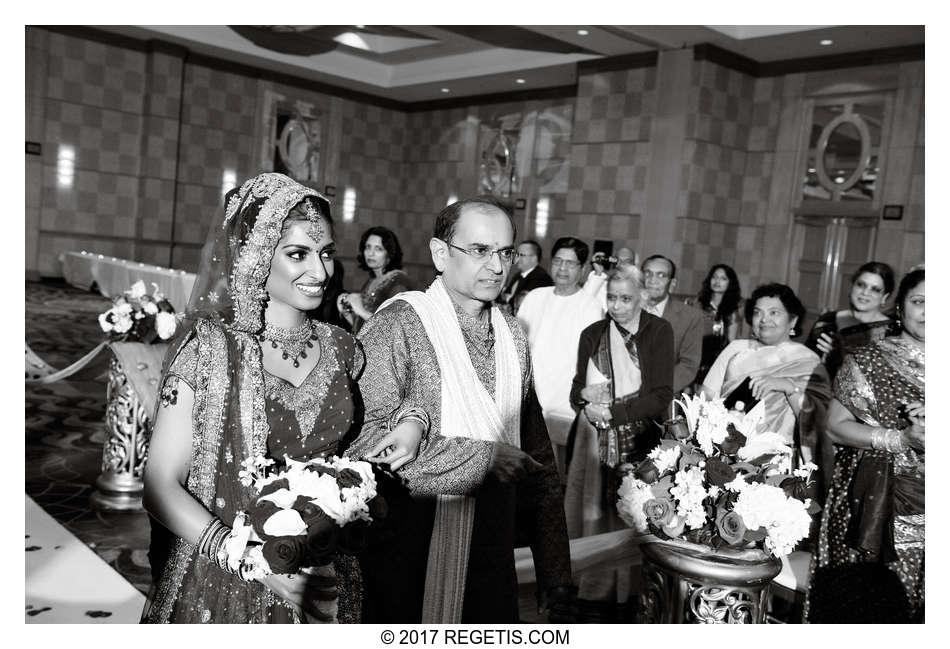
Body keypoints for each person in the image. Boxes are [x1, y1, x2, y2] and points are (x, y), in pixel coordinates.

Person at [140, 173, 422, 624]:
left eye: (326, 253)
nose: (320, 272)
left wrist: (413, 421)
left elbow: (390, 414)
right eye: (298, 254)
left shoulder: (342, 346)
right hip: (227, 572)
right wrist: (250, 557)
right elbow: (159, 485)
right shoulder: (212, 350)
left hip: (327, 568)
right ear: (253, 256)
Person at [347, 197, 573, 623]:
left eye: (505, 252)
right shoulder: (400, 323)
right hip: (410, 547)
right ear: (439, 253)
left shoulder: (511, 334)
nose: (496, 266)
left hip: (492, 547)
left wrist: (555, 574)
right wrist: (482, 459)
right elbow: (367, 447)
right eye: (480, 250)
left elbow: (539, 458)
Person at [806, 268, 924, 623]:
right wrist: (899, 438)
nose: (930, 313)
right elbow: (836, 427)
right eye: (920, 302)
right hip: (878, 505)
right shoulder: (869, 359)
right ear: (900, 307)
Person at [564, 264, 673, 617]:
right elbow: (575, 392)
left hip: (640, 440)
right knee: (594, 512)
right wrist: (584, 401)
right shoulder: (592, 333)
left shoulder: (658, 331)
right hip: (593, 439)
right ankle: (593, 590)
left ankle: (630, 599)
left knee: (632, 516)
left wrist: (614, 413)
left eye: (627, 298)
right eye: (612, 297)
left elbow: (660, 395)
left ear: (642, 296)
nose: (618, 306)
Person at [701, 283, 831, 467]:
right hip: (725, 453)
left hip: (776, 460)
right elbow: (705, 399)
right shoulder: (736, 350)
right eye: (757, 312)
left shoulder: (808, 361)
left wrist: (788, 387)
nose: (764, 319)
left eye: (774, 313)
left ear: (793, 321)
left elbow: (819, 420)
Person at [517, 237, 604, 420]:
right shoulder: (535, 296)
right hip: (526, 396)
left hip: (564, 405)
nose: (562, 268)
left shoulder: (590, 307)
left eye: (570, 263)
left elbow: (593, 361)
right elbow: (517, 344)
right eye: (558, 261)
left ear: (583, 269)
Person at [805, 261, 895, 381]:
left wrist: (838, 357)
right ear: (852, 286)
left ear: (884, 297)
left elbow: (883, 381)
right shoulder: (828, 320)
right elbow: (804, 361)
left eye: (875, 289)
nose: (865, 293)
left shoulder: (891, 332)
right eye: (861, 285)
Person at [640, 254, 703, 395]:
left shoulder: (690, 317)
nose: (652, 281)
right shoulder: (622, 308)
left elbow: (688, 365)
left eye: (661, 275)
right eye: (647, 273)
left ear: (672, 284)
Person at [337, 226, 414, 333]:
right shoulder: (371, 281)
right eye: (368, 247)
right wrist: (347, 312)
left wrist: (361, 311)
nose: (371, 253)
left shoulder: (398, 281)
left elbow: (396, 329)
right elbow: (362, 328)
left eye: (378, 248)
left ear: (390, 254)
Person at [686, 264, 743, 387]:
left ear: (730, 283)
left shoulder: (732, 311)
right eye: (714, 277)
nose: (717, 281)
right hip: (695, 355)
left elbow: (732, 342)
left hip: (718, 359)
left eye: (723, 278)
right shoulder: (696, 304)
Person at [498, 239, 553, 314]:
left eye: (521, 255)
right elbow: (506, 295)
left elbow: (522, 302)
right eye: (517, 254)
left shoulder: (541, 278)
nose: (516, 258)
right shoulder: (518, 275)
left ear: (534, 258)